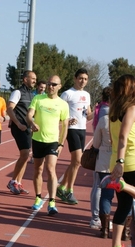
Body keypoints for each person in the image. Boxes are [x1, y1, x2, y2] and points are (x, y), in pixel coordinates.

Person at [97, 74, 135, 247]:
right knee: (126, 202)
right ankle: (122, 185)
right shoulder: (131, 108)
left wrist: (117, 161)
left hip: (117, 160)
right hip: (129, 161)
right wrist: (121, 161)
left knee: (124, 207)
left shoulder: (112, 111)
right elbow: (122, 137)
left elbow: (114, 139)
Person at [26, 75, 69, 215]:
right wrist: (32, 123)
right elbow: (29, 115)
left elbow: (65, 125)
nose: (51, 87)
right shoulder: (38, 99)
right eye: (49, 84)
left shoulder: (63, 104)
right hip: (38, 140)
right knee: (38, 169)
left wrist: (61, 143)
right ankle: (38, 198)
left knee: (50, 169)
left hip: (52, 141)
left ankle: (52, 201)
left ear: (59, 86)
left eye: (54, 84)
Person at [57, 68, 93, 204]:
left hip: (82, 129)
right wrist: (66, 120)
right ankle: (69, 190)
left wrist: (96, 111)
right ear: (75, 78)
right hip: (71, 129)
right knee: (77, 161)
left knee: (75, 162)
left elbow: (88, 115)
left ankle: (61, 187)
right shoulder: (67, 94)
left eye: (85, 79)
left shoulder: (87, 95)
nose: (82, 81)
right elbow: (58, 111)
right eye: (80, 78)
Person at [6, 70, 36, 195]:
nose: (35, 80)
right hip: (19, 128)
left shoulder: (32, 94)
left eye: (35, 78)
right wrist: (18, 123)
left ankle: (18, 182)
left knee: (26, 156)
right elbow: (9, 109)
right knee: (24, 154)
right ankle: (12, 181)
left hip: (27, 128)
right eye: (32, 78)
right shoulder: (17, 92)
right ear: (25, 79)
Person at [89, 87, 114, 236]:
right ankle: (125, 228)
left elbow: (96, 143)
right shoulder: (127, 118)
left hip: (104, 158)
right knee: (126, 194)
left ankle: (101, 224)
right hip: (125, 160)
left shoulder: (102, 115)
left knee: (103, 191)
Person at [29, 80, 47, 163]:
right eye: (41, 87)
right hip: (32, 119)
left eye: (44, 88)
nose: (42, 89)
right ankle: (33, 155)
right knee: (32, 137)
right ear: (37, 87)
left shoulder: (45, 96)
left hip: (40, 120)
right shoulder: (32, 95)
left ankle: (40, 156)